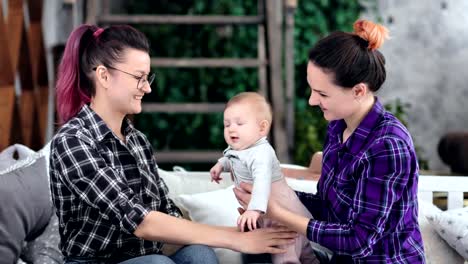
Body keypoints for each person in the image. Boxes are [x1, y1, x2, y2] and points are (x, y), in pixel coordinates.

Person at [49, 24, 297, 264]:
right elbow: (141, 222)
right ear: (103, 75)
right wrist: (234, 239)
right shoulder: (73, 141)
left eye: (148, 78)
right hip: (97, 261)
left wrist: (246, 229)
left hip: (149, 258)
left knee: (199, 255)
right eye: (138, 77)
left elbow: (166, 211)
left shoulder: (137, 141)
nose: (146, 88)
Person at [235, 19, 426, 263]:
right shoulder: (338, 127)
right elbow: (330, 209)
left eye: (323, 93)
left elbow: (358, 241)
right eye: (312, 89)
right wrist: (269, 198)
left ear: (358, 91)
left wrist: (280, 213)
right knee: (258, 247)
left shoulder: (388, 146)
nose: (312, 101)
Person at [210, 92, 318, 264]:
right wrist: (221, 165)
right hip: (268, 219)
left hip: (285, 221)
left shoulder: (262, 153)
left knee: (285, 257)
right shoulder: (241, 149)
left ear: (261, 128)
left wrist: (254, 210)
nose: (231, 128)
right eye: (227, 124)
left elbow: (261, 182)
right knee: (307, 258)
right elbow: (232, 158)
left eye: (239, 123)